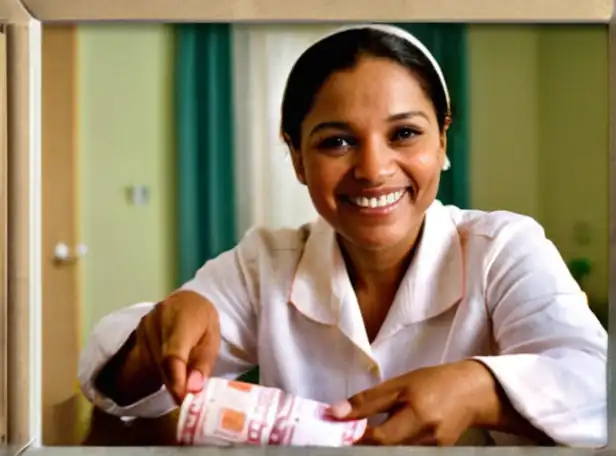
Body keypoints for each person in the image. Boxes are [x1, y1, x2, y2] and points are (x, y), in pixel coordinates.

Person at [78, 24, 607, 447]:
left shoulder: (505, 250)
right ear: (297, 159)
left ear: (443, 140)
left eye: (404, 133)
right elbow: (115, 391)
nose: (374, 170)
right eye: (337, 142)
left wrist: (480, 389)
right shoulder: (266, 263)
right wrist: (157, 337)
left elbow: (595, 385)